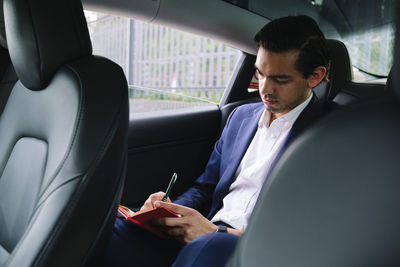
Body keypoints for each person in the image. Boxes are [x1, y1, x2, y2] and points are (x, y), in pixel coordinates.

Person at [100, 15, 333, 267]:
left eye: (280, 79)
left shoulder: (335, 135)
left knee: (209, 248)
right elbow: (205, 188)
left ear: (315, 77)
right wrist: (170, 210)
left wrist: (215, 234)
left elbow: (315, 232)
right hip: (201, 235)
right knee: (107, 228)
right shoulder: (241, 118)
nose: (265, 89)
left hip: (253, 250)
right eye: (261, 74)